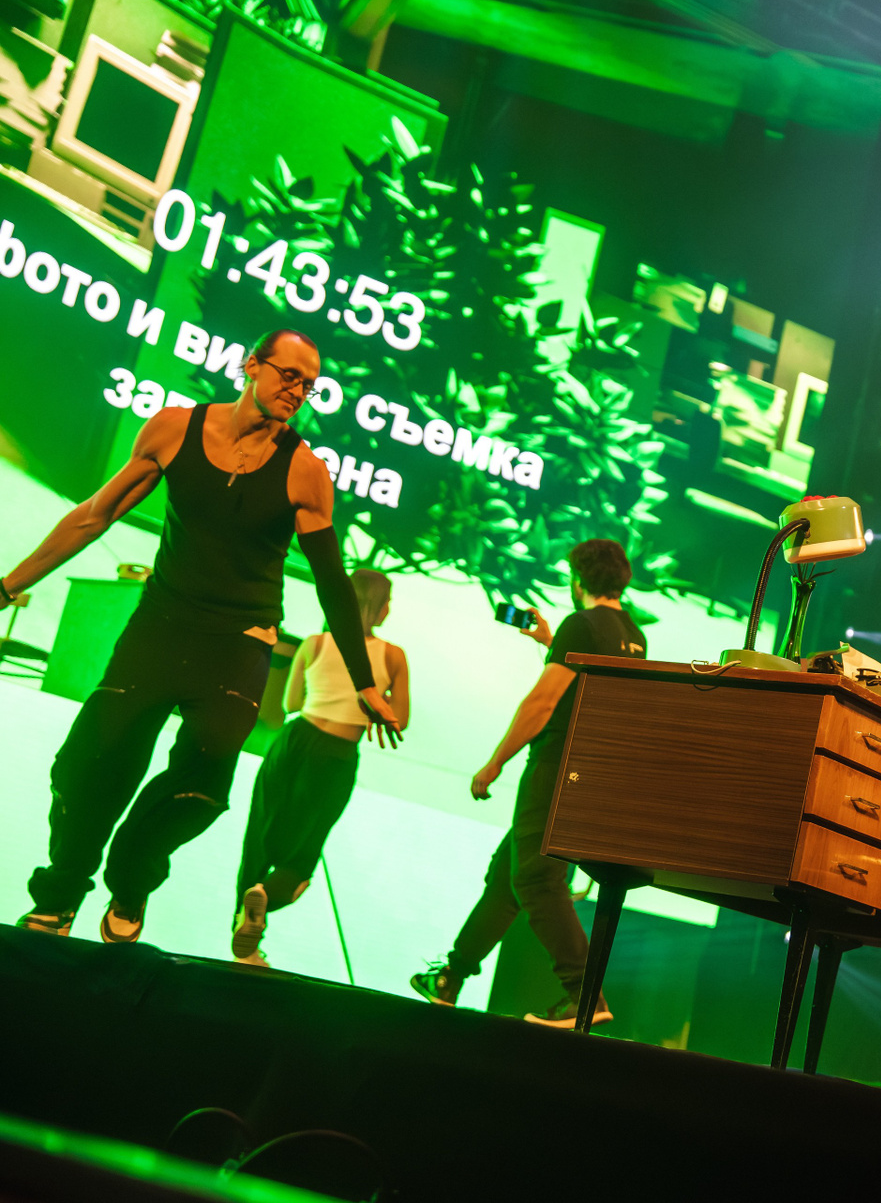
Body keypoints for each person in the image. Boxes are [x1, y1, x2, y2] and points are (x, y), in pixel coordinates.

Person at [8, 329, 403, 943]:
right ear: (252, 366)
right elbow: (94, 516)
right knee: (90, 762)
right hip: (160, 626)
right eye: (289, 375)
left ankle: (132, 876)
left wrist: (365, 682)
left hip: (239, 642)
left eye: (309, 385)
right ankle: (60, 894)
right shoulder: (173, 430)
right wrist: (8, 586)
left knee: (203, 782)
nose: (298, 391)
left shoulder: (305, 472)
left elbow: (333, 586)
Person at [410, 539, 647, 1028]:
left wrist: (494, 763)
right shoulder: (633, 634)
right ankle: (450, 977)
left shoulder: (580, 623)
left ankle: (584, 994)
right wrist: (549, 641)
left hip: (556, 767)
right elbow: (593, 686)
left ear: (576, 580)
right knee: (507, 878)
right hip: (589, 772)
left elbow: (543, 702)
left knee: (536, 880)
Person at [229, 568, 410, 966]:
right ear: (378, 608)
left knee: (259, 833)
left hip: (293, 741)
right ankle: (266, 900)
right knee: (305, 848)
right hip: (337, 753)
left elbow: (291, 704)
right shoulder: (393, 656)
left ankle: (245, 928)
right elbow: (401, 719)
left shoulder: (314, 643)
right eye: (388, 602)